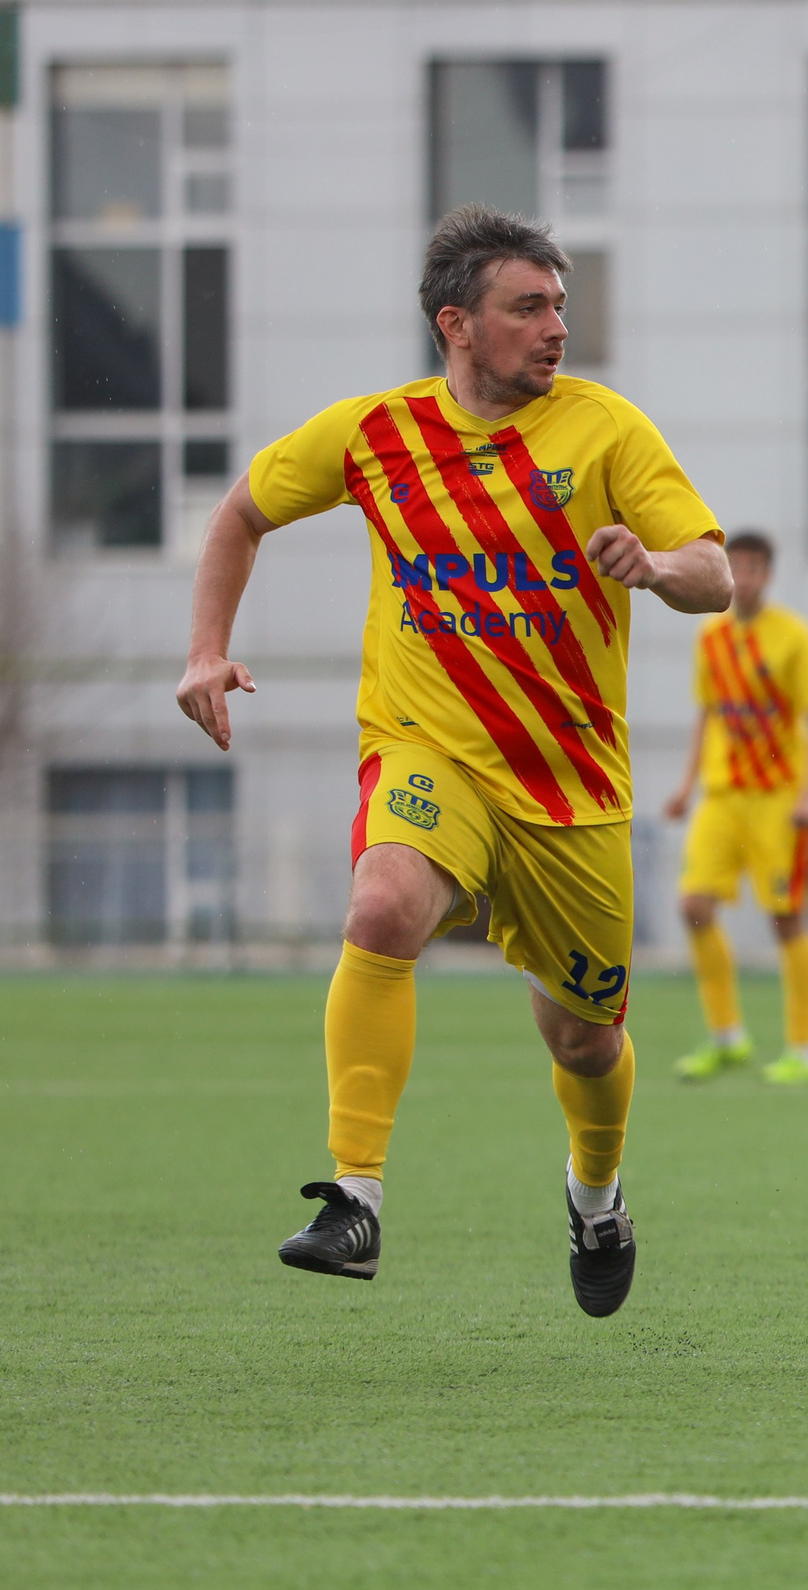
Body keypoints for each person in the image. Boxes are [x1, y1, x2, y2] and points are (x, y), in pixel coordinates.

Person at [174, 205, 730, 1315]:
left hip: (571, 792)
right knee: (381, 904)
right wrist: (205, 651)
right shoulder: (375, 434)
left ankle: (597, 1194)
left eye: (560, 306)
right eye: (529, 307)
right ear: (457, 325)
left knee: (583, 1037)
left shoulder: (607, 432)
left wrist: (655, 566)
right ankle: (354, 1197)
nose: (556, 327)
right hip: (428, 749)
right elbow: (239, 515)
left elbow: (714, 573)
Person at [664, 532, 808, 1084]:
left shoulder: (793, 638)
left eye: (755, 567)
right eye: (736, 566)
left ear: (769, 574)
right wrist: (686, 785)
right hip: (722, 795)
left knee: (786, 918)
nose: (746, 576)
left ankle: (803, 1050)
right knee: (693, 905)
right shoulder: (709, 636)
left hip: (777, 799)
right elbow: (706, 714)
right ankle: (726, 1036)